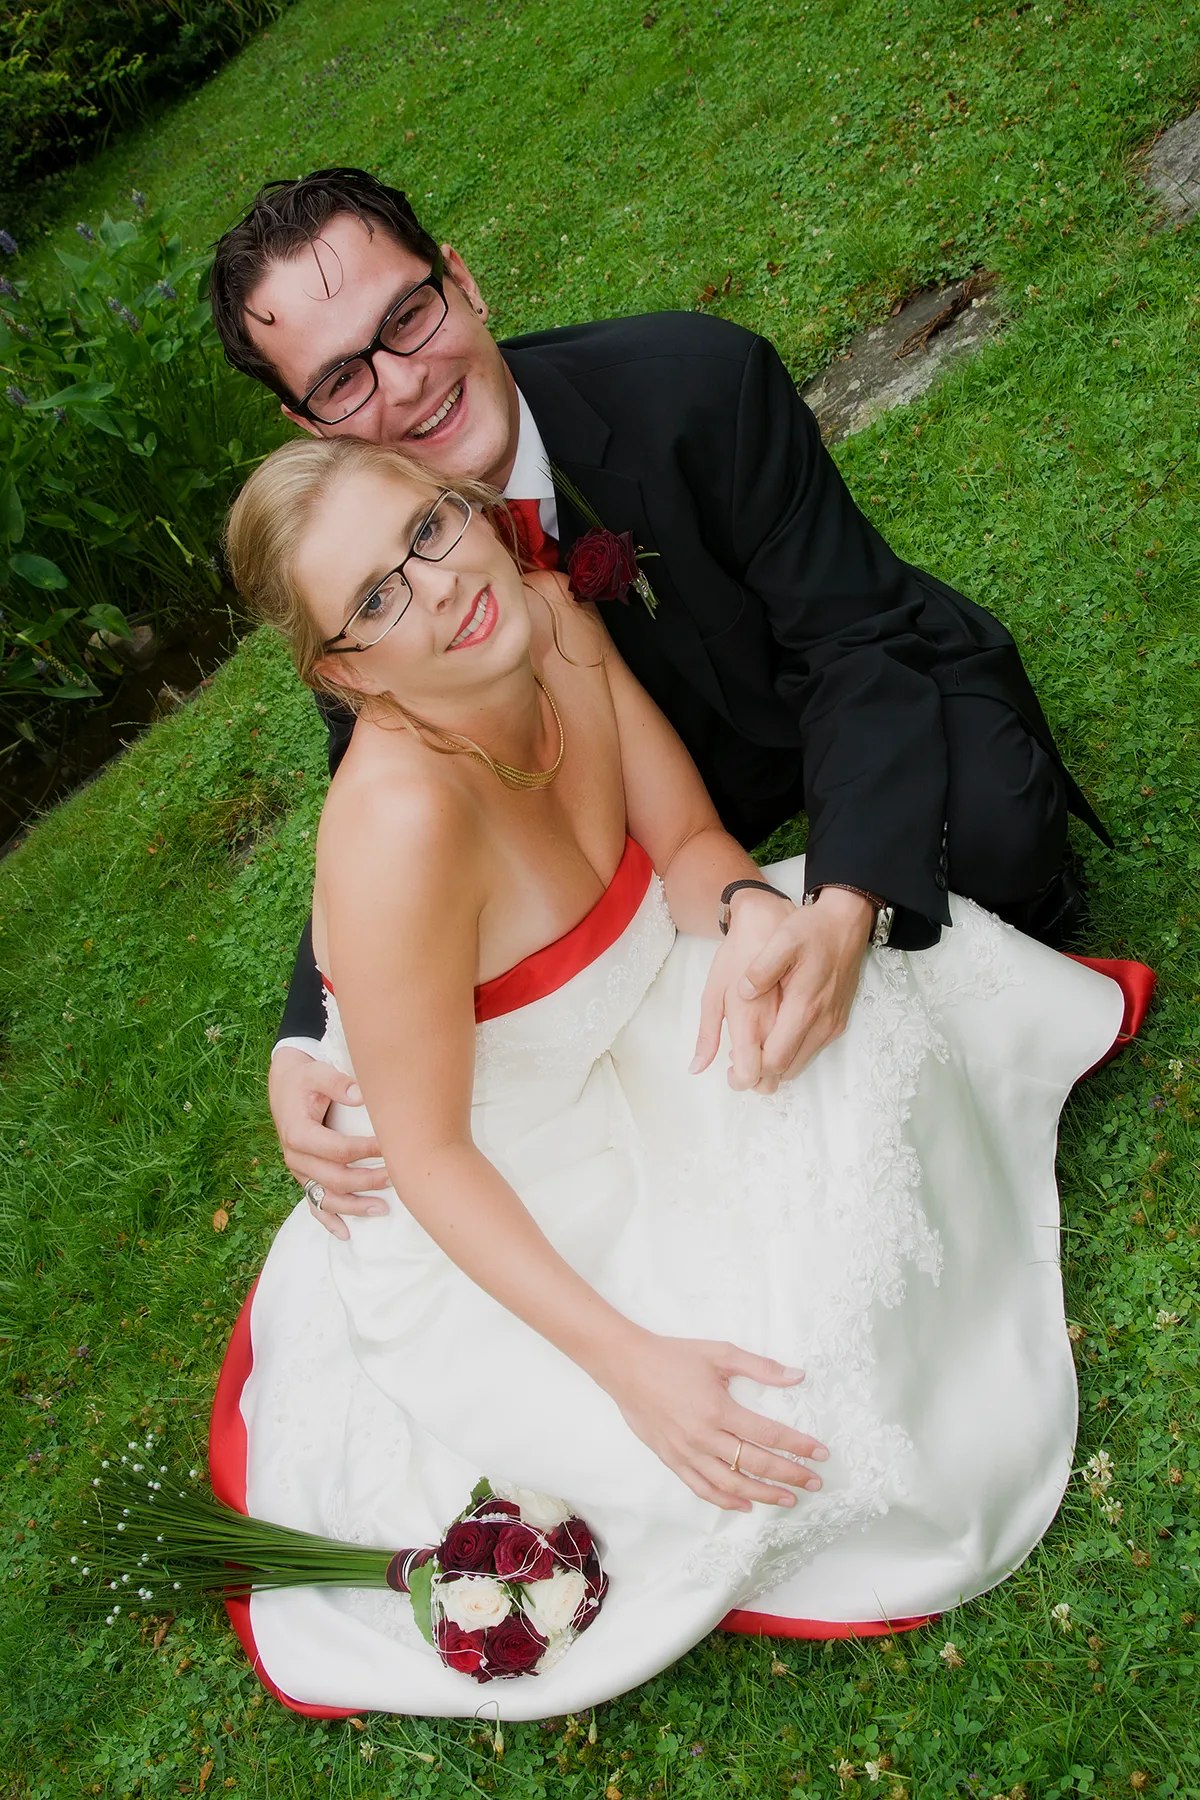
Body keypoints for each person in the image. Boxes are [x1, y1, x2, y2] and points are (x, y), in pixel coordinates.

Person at [213, 434, 1125, 1718]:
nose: (436, 584)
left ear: (464, 508)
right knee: (786, 1390)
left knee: (866, 1002)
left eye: (427, 530)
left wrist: (750, 913)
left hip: (641, 1029)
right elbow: (430, 1159)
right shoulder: (400, 828)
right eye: (375, 597)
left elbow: (690, 838)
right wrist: (629, 1364)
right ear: (346, 671)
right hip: (507, 1195)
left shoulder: (547, 616)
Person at [206, 168, 1110, 1234]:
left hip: (804, 715)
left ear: (462, 281)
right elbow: (381, 808)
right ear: (310, 424)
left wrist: (847, 902)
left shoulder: (702, 387)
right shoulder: (368, 600)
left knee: (998, 833)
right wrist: (308, 1033)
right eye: (341, 379)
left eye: (407, 316)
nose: (403, 386)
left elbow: (857, 641)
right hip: (640, 848)